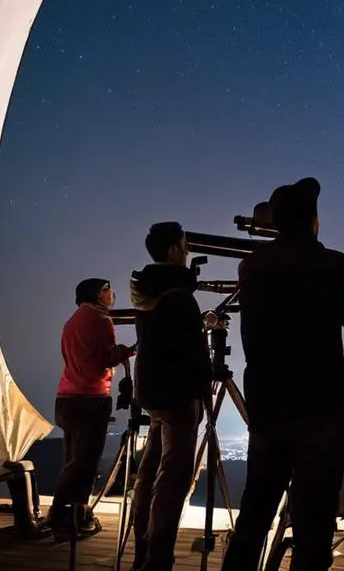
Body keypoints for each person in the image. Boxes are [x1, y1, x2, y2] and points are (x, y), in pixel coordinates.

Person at [222, 177, 344, 571]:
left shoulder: (251, 266)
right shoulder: (331, 262)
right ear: (313, 221)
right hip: (321, 406)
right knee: (315, 524)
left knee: (255, 514)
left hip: (269, 406)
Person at [129, 222, 213, 571]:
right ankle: (158, 558)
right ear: (172, 251)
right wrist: (205, 393)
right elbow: (192, 354)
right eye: (184, 245)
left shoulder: (147, 290)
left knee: (150, 471)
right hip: (178, 394)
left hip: (151, 391)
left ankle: (142, 547)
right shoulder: (179, 296)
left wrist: (198, 323)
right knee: (173, 476)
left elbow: (164, 335)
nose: (188, 250)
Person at [48, 278, 135, 540]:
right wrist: (123, 352)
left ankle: (61, 514)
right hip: (91, 399)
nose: (113, 295)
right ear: (98, 295)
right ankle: (72, 519)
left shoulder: (71, 322)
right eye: (108, 291)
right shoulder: (101, 320)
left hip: (66, 397)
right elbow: (103, 359)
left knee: (72, 459)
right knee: (85, 463)